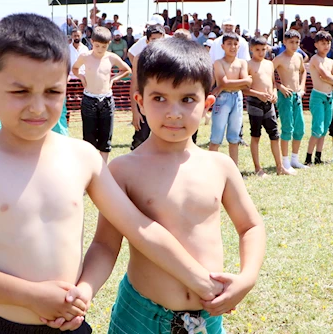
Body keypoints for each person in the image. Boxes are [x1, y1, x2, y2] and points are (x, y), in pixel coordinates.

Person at [0, 14, 226, 333]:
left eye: (52, 91)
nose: (37, 107)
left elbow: (137, 228)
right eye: (20, 92)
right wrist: (31, 296)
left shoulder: (83, 156)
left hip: (71, 323)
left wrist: (85, 290)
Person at [76, 36, 265, 334]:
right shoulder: (123, 169)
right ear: (139, 101)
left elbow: (250, 226)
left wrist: (247, 277)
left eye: (187, 99)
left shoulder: (220, 166)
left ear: (208, 104)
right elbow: (104, 244)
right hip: (140, 315)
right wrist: (85, 289)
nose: (173, 112)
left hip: (208, 315)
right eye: (159, 98)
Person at [72, 26, 132, 163]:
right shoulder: (85, 56)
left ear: (108, 44)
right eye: (97, 45)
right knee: (89, 138)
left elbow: (126, 70)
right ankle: (90, 167)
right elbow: (74, 68)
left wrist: (113, 79)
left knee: (106, 138)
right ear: (92, 42)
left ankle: (103, 168)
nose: (100, 49)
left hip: (106, 100)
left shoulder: (111, 57)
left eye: (103, 46)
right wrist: (81, 77)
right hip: (89, 99)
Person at [245, 37, 295, 176]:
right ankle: (257, 168)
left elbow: (273, 83)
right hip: (255, 103)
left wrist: (274, 93)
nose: (260, 52)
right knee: (256, 136)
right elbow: (244, 89)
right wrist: (258, 94)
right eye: (257, 50)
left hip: (269, 104)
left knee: (275, 135)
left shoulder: (269, 64)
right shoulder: (248, 65)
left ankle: (280, 167)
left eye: (263, 49)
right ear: (251, 49)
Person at [209, 32, 249, 166]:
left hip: (237, 97)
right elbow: (224, 82)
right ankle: (211, 167)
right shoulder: (218, 62)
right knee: (216, 135)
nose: (233, 47)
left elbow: (247, 83)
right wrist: (243, 80)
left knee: (234, 136)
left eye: (235, 44)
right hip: (223, 98)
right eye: (229, 44)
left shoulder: (242, 63)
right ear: (223, 46)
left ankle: (234, 168)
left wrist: (242, 81)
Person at [273, 30, 309, 169]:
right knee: (287, 128)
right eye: (291, 42)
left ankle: (295, 159)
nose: (294, 45)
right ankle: (285, 160)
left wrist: (301, 86)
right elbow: (267, 74)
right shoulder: (279, 58)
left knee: (299, 128)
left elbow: (303, 71)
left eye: (297, 42)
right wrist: (280, 87)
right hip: (285, 96)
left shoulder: (299, 57)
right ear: (284, 42)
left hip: (297, 96)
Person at [129, 24, 167, 150]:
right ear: (147, 41)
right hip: (145, 103)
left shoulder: (170, 59)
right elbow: (134, 84)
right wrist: (135, 111)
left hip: (165, 103)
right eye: (154, 40)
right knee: (140, 140)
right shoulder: (139, 59)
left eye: (160, 39)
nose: (157, 43)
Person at [305, 30, 333, 165]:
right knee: (317, 128)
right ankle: (308, 157)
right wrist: (332, 79)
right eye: (323, 43)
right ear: (316, 45)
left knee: (325, 129)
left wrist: (330, 80)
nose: (326, 46)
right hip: (318, 96)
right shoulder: (315, 59)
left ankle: (318, 157)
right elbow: (324, 74)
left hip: (329, 96)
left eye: (328, 43)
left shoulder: (331, 61)